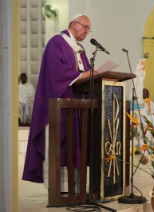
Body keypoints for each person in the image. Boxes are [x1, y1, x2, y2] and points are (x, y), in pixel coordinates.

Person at [22, 14, 98, 192]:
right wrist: (82, 75)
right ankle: (60, 187)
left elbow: (85, 74)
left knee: (77, 144)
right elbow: (56, 72)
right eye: (85, 27)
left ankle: (77, 186)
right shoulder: (57, 42)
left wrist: (90, 76)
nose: (87, 32)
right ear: (74, 24)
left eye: (89, 29)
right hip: (61, 107)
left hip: (78, 106)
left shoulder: (79, 48)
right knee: (61, 144)